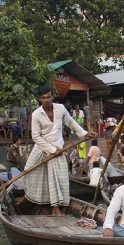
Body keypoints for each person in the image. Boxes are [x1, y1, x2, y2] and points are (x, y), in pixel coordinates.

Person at [24, 86, 95, 216]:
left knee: (58, 178)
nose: (46, 100)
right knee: (29, 172)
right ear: (40, 99)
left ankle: (55, 206)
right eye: (43, 98)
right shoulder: (36, 114)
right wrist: (51, 150)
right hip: (42, 148)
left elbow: (71, 123)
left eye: (48, 97)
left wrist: (85, 133)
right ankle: (27, 198)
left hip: (59, 148)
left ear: (52, 97)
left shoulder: (61, 108)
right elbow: (35, 136)